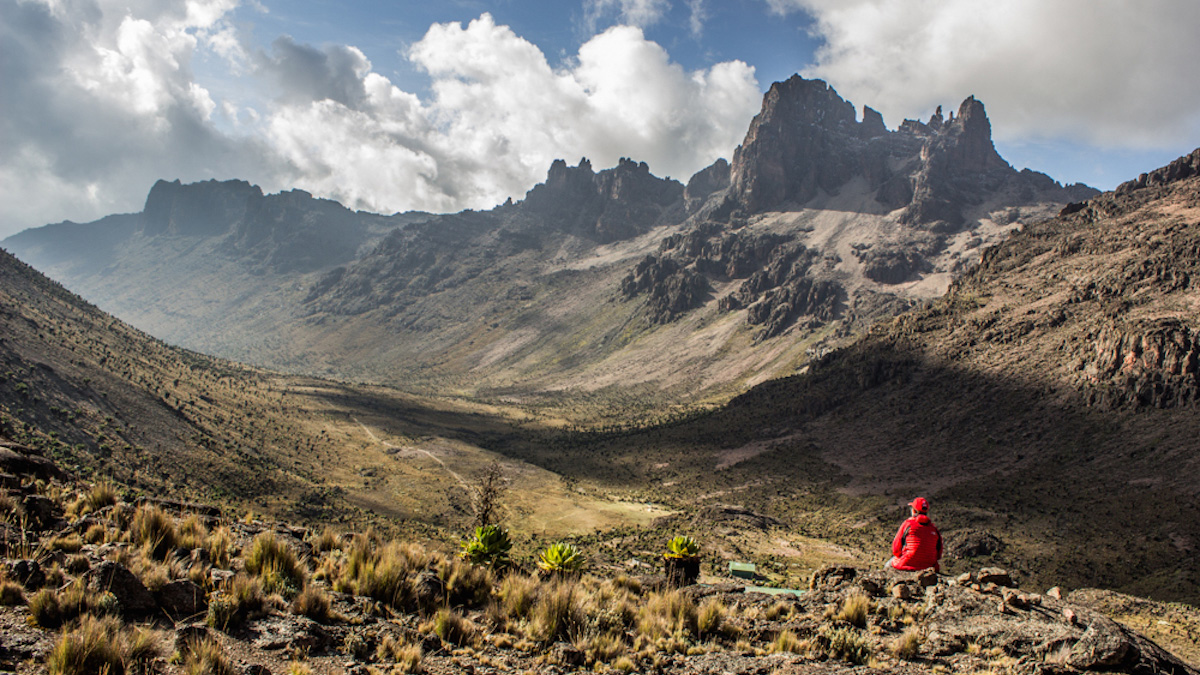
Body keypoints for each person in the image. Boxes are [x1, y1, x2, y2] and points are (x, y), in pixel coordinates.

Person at [888, 497, 942, 572]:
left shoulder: (908, 524)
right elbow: (939, 555)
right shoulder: (934, 529)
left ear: (913, 510)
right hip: (929, 566)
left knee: (889, 564)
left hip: (907, 563)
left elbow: (896, 549)